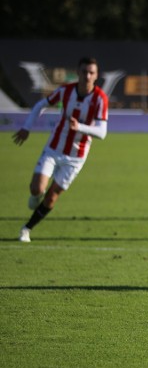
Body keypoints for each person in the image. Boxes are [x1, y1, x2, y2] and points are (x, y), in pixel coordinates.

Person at [12, 57, 108, 243]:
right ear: (78, 72)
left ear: (96, 76)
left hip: (76, 156)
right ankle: (35, 194)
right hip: (54, 148)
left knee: (52, 196)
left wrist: (79, 127)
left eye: (91, 73)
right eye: (84, 72)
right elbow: (41, 105)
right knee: (37, 188)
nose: (87, 76)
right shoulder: (66, 90)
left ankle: (26, 229)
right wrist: (26, 127)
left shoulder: (100, 99)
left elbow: (102, 132)